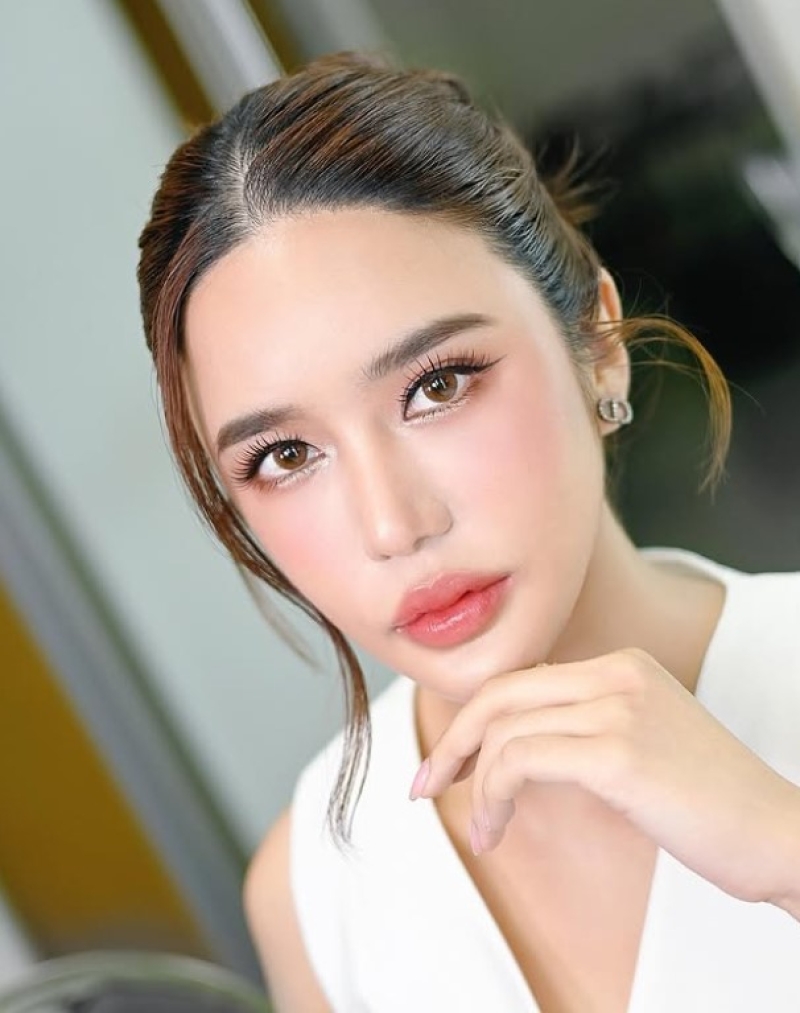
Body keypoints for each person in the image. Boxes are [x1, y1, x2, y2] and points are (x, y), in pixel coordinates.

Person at [137, 52, 800, 1013]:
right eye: (286, 455)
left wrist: (784, 846)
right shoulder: (317, 889)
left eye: (436, 386)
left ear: (598, 345)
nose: (393, 523)